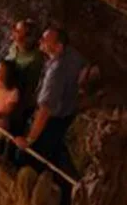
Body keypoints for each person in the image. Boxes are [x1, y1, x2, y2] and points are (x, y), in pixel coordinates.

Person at [13, 27, 89, 175]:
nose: (40, 41)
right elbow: (88, 68)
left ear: (58, 47)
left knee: (31, 159)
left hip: (52, 122)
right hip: (67, 116)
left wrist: (29, 140)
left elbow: (45, 109)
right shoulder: (73, 55)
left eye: (45, 40)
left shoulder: (56, 72)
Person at [5, 19, 43, 131]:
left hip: (18, 100)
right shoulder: (13, 47)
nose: (13, 32)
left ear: (27, 36)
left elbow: (31, 84)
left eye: (17, 30)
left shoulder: (35, 58)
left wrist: (20, 107)